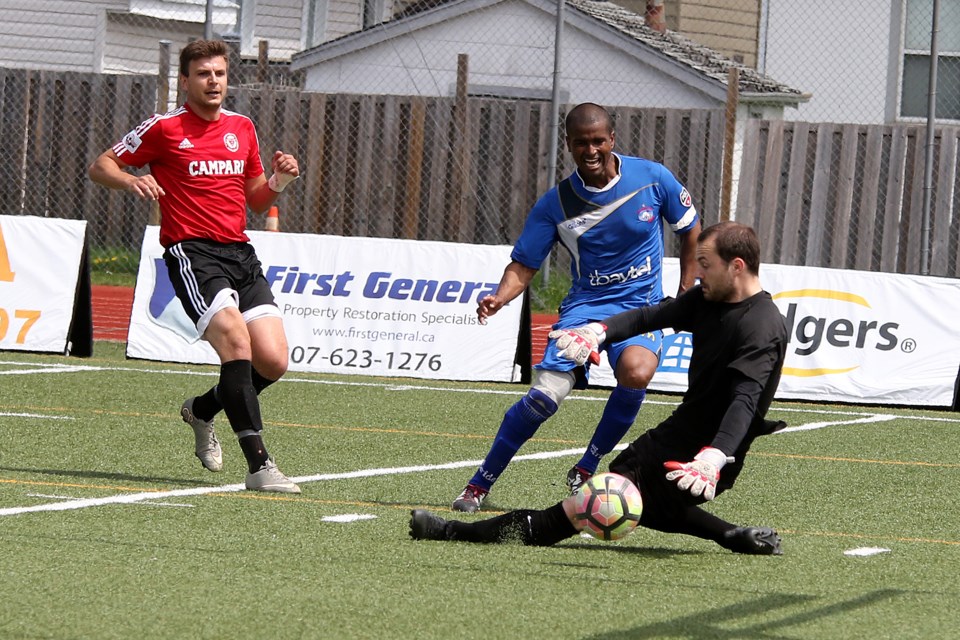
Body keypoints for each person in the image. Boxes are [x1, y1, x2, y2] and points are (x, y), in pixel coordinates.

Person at [412, 221, 787, 555]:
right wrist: (597, 331)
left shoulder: (761, 326)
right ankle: (732, 535)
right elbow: (649, 316)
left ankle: (453, 532)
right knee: (642, 503)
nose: (698, 273)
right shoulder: (710, 298)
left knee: (591, 506)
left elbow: (745, 401)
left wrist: (713, 458)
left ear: (736, 266)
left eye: (705, 264)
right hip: (676, 434)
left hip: (703, 456)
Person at [452, 102, 701, 512]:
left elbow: (691, 229)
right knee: (542, 400)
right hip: (585, 310)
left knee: (637, 372)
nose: (591, 150)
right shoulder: (557, 203)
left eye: (598, 141)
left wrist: (684, 291)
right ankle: (478, 485)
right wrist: (500, 297)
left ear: (612, 140)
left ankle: (588, 466)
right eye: (581, 143)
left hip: (643, 308)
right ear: (568, 145)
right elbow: (525, 264)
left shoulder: (653, 179)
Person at [89, 39, 301, 493]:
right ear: (185, 81)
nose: (213, 81)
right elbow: (100, 165)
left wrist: (280, 179)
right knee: (236, 341)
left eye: (220, 73)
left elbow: (256, 198)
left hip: (240, 253)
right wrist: (131, 179)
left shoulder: (242, 127)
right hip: (192, 253)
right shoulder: (164, 128)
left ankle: (202, 410)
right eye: (203, 74)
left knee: (274, 359)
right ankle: (260, 467)